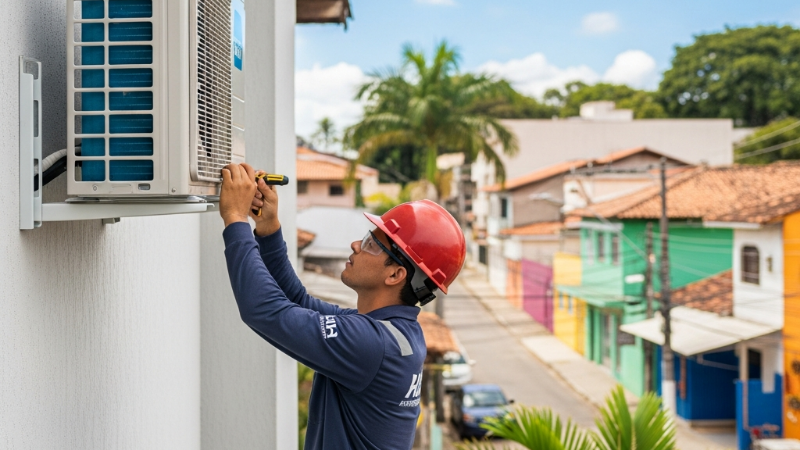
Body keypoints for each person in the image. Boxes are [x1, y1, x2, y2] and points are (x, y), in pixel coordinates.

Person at [218, 163, 466, 450]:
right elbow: (298, 302)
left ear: (396, 274)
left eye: (372, 244)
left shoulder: (371, 343)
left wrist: (235, 218)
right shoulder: (392, 333)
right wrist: (268, 225)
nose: (356, 245)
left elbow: (264, 311)